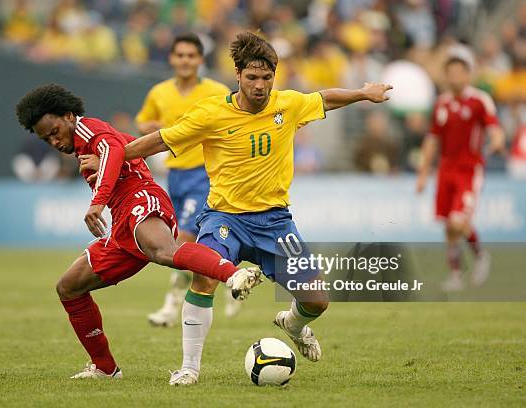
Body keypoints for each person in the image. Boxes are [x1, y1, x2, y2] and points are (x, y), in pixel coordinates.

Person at [82, 32, 392, 385]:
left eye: (266, 78)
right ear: (238, 76)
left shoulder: (287, 104)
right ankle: (189, 368)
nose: (260, 86)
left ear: (275, 77)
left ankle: (292, 323)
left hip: (275, 222)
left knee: (317, 300)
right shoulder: (211, 113)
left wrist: (364, 94)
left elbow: (324, 98)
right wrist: (112, 156)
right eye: (252, 78)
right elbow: (160, 140)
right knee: (203, 279)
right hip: (224, 217)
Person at [14, 84, 261, 380]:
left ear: (68, 116)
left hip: (141, 199)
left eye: (54, 131)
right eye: (46, 138)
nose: (53, 141)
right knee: (68, 287)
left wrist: (97, 202)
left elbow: (112, 148)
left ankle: (231, 274)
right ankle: (106, 368)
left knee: (164, 251)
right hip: (121, 225)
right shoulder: (85, 144)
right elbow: (127, 145)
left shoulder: (90, 131)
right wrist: (116, 161)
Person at [135, 33, 241, 326]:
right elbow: (143, 121)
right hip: (175, 174)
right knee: (202, 243)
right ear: (171, 58)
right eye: (180, 55)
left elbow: (234, 119)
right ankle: (231, 275)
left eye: (191, 56)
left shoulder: (216, 90)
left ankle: (171, 305)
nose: (185, 60)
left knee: (182, 238)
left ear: (200, 60)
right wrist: (155, 126)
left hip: (205, 173)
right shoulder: (159, 92)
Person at [417, 53, 506, 291]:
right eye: (451, 72)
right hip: (446, 170)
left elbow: (494, 127)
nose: (455, 77)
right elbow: (432, 139)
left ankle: (480, 256)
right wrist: (423, 173)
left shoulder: (479, 100)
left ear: (468, 75)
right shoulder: (442, 104)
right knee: (448, 225)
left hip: (469, 169)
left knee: (458, 221)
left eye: (459, 72)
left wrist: (497, 141)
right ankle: (455, 273)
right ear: (446, 75)